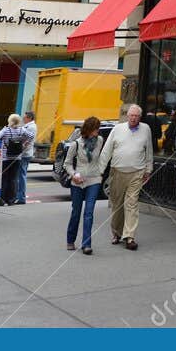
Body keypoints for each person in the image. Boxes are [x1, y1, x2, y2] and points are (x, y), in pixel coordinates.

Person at [96, 104, 153, 250]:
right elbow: (106, 151)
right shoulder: (117, 129)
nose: (133, 118)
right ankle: (116, 232)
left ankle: (130, 236)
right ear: (127, 116)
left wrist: (148, 169)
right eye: (131, 116)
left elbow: (149, 151)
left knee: (132, 204)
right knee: (117, 204)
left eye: (136, 116)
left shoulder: (146, 129)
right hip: (118, 171)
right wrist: (100, 171)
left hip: (137, 172)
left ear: (140, 117)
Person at [64, 116, 104, 254]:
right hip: (78, 182)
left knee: (89, 213)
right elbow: (67, 163)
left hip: (94, 180)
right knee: (76, 212)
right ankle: (70, 240)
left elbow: (101, 159)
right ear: (88, 129)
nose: (97, 132)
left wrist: (101, 172)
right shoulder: (76, 144)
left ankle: (86, 244)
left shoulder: (99, 141)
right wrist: (73, 175)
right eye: (95, 129)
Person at [0, 113, 34, 205]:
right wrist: (24, 144)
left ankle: (2, 199)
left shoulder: (6, 130)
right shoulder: (21, 130)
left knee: (4, 178)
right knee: (13, 179)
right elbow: (31, 136)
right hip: (17, 158)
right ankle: (11, 200)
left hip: (5, 157)